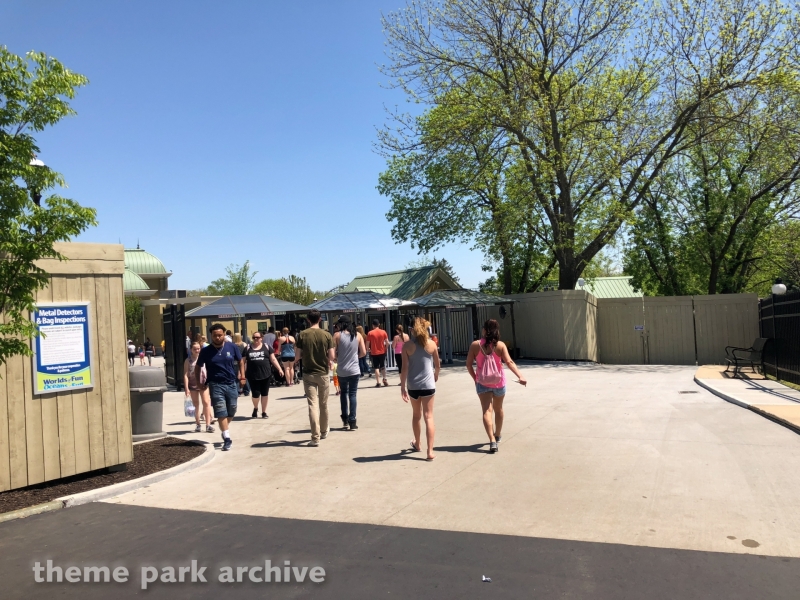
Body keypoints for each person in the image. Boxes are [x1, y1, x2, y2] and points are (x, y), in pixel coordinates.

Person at [466, 319, 527, 454]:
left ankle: (492, 440)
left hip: (482, 383)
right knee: (498, 409)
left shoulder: (475, 345)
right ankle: (498, 434)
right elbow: (509, 362)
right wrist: (520, 376)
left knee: (486, 411)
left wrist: (475, 378)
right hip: (499, 383)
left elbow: (468, 365)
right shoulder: (500, 345)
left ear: (484, 330)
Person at [195, 323, 245, 451]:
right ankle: (227, 437)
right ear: (211, 336)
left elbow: (240, 361)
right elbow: (198, 367)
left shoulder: (232, 347)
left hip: (231, 383)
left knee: (232, 409)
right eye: (215, 335)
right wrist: (199, 382)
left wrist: (242, 376)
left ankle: (224, 427)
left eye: (220, 335)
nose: (217, 337)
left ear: (224, 335)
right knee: (221, 411)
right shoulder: (206, 351)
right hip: (215, 384)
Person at [400, 317, 440, 461]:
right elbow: (437, 365)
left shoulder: (407, 346)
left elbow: (404, 368)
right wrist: (435, 375)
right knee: (429, 416)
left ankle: (417, 443)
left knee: (416, 415)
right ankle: (430, 451)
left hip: (413, 385)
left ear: (412, 330)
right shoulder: (431, 344)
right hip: (428, 385)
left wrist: (402, 387)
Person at [295, 309, 335, 446]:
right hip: (323, 373)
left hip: (308, 373)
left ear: (308, 319)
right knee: (323, 404)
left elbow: (297, 356)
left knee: (312, 404)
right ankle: (323, 431)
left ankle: (315, 437)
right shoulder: (327, 335)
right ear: (320, 319)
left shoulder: (302, 334)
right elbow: (332, 356)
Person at [333, 315, 366, 430]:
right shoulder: (358, 335)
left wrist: (338, 358)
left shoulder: (337, 335)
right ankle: (352, 420)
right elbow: (363, 352)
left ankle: (345, 419)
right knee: (353, 394)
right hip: (354, 369)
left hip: (342, 369)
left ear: (341, 324)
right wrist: (355, 357)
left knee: (343, 393)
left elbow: (333, 354)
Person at [242, 331, 284, 419]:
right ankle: (255, 408)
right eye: (254, 337)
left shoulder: (267, 347)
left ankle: (264, 412)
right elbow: (243, 362)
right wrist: (241, 374)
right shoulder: (248, 348)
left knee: (265, 394)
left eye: (257, 337)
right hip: (252, 375)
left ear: (261, 338)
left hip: (266, 374)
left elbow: (273, 359)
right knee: (255, 394)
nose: (255, 339)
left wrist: (279, 369)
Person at [184, 342, 214, 433]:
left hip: (203, 384)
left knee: (206, 402)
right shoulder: (188, 361)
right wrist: (186, 388)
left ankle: (208, 425)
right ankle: (198, 424)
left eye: (198, 349)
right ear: (191, 350)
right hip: (193, 385)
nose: (197, 350)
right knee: (195, 404)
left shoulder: (204, 358)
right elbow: (186, 375)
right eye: (195, 349)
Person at [367, 319, 389, 387]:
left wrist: (368, 349)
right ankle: (384, 378)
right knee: (382, 366)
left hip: (374, 352)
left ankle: (378, 382)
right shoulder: (383, 332)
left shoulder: (370, 333)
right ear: (379, 324)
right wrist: (386, 348)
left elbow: (367, 344)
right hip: (382, 351)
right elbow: (387, 342)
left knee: (376, 367)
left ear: (372, 325)